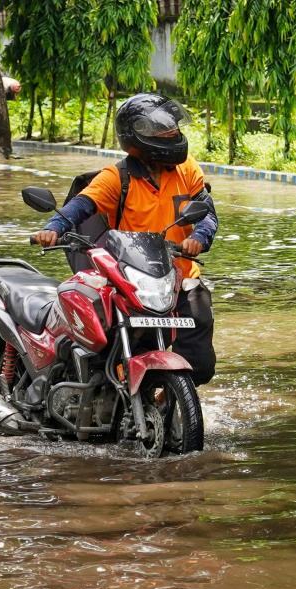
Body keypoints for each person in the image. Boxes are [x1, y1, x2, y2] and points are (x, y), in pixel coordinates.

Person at [34, 93, 219, 385]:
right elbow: (79, 207)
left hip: (180, 277)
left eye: (172, 128)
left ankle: (172, 398)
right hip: (130, 280)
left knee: (201, 363)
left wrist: (200, 235)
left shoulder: (188, 169)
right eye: (161, 130)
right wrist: (53, 228)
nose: (171, 134)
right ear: (137, 137)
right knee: (105, 347)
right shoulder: (115, 178)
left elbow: (207, 213)